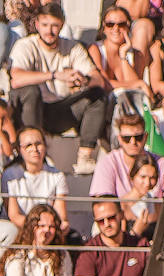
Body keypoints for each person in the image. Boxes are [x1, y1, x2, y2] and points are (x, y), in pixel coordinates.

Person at [8, 2, 106, 175]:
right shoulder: (26, 45)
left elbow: (98, 80)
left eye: (54, 25)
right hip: (32, 110)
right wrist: (54, 75)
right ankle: (32, 154)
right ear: (37, 24)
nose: (49, 31)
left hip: (61, 110)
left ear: (62, 25)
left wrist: (82, 80)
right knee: (31, 91)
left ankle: (85, 157)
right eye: (45, 25)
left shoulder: (72, 47)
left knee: (97, 95)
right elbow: (16, 79)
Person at [2, 128, 69, 241]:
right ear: (19, 149)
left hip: (48, 228)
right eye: (28, 145)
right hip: (21, 229)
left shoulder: (57, 175)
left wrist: (53, 226)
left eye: (38, 144)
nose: (35, 149)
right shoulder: (10, 175)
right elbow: (14, 216)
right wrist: (37, 227)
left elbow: (60, 215)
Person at [75, 196, 148, 276]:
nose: (106, 224)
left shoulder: (141, 245)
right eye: (101, 221)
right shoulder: (88, 252)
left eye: (111, 218)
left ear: (121, 215)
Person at [2, 203, 76, 276]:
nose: (46, 230)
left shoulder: (63, 255)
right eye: (41, 226)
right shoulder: (17, 257)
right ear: (31, 227)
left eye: (51, 227)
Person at [91, 113, 164, 197]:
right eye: (127, 138)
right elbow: (102, 203)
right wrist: (137, 193)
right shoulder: (107, 163)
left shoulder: (162, 164)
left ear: (145, 137)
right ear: (120, 139)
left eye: (138, 137)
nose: (133, 142)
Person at [120, 152, 162, 236]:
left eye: (152, 178)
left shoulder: (158, 204)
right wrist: (136, 231)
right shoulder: (122, 206)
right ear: (132, 176)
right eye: (143, 177)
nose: (147, 183)